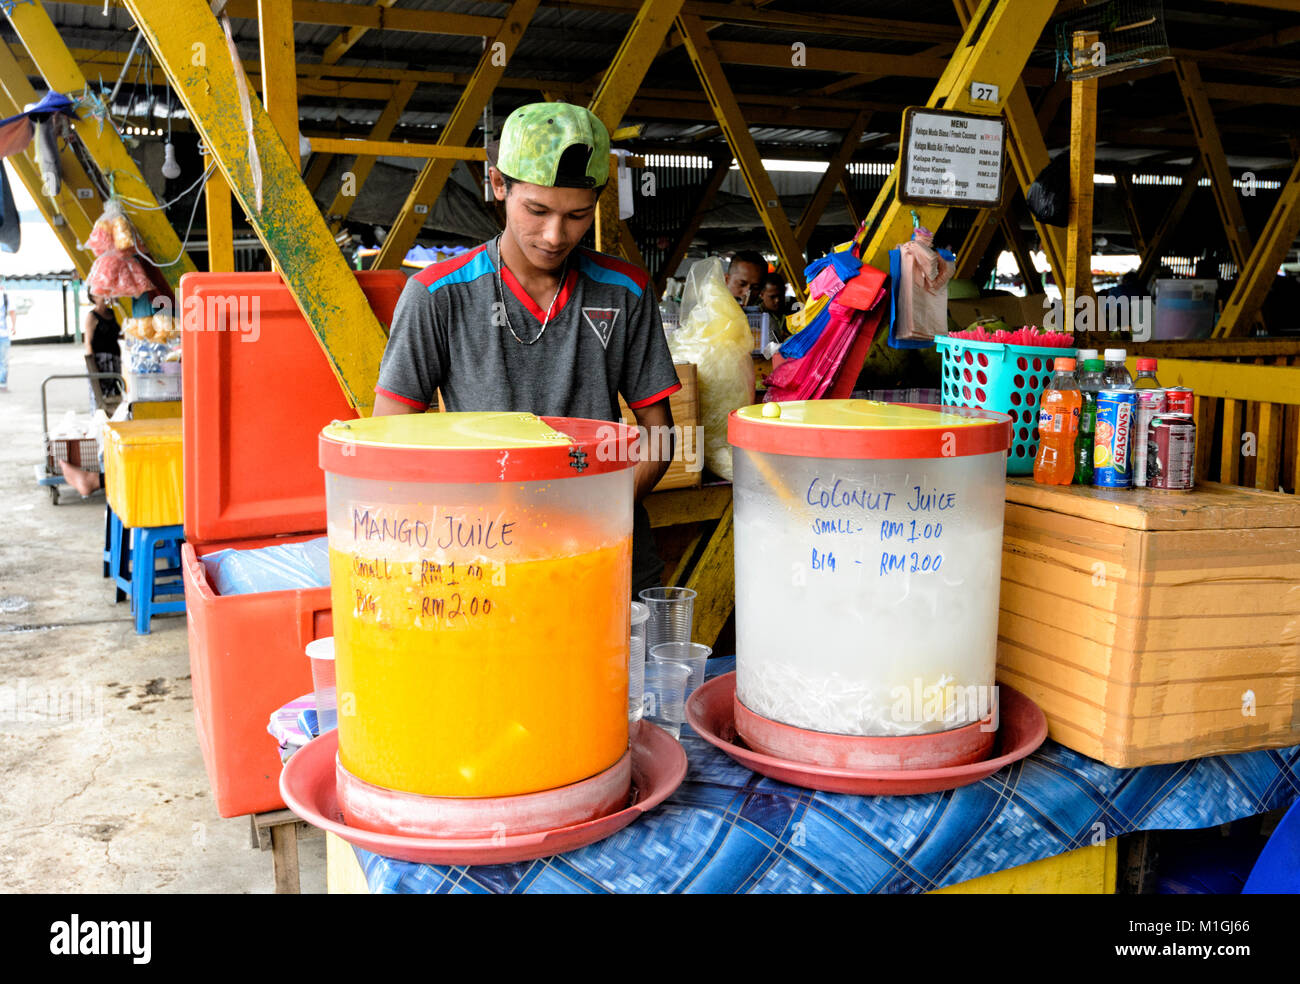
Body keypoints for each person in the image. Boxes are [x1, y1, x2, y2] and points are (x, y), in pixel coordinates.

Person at [372, 102, 681, 597]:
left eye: (577, 215)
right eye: (536, 211)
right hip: (485, 559)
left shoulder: (625, 291)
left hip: (606, 553)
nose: (555, 235)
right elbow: (390, 443)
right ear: (498, 185)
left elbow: (660, 436)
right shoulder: (438, 296)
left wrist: (602, 509)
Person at [84, 290, 122, 403]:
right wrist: (92, 366)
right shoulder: (92, 316)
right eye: (100, 293)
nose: (104, 295)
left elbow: (116, 334)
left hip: (114, 359)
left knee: (115, 391)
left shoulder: (112, 313)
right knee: (101, 394)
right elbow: (88, 342)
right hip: (100, 360)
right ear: (93, 297)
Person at [757, 272, 789, 344]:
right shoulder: (757, 316)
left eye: (780, 295)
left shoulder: (794, 308)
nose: (777, 300)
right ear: (761, 295)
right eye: (772, 297)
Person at [0, 284, 14, 391]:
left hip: (4, 335)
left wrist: (13, 326)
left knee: (4, 360)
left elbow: (12, 312)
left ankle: (2, 383)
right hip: (4, 336)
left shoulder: (6, 296)